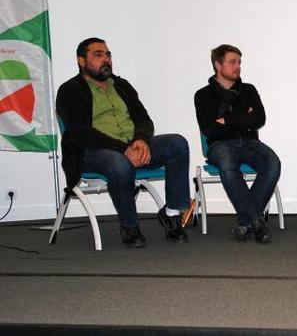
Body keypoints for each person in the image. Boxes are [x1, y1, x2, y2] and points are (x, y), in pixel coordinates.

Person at [57, 37, 192, 248]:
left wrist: (141, 141)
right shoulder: (70, 90)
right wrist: (124, 149)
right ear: (81, 61)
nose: (106, 59)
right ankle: (130, 226)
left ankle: (172, 215)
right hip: (92, 152)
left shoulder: (121, 85)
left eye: (108, 54)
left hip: (131, 146)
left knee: (177, 143)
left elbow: (143, 119)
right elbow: (81, 133)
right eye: (98, 54)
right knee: (118, 163)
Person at [194, 44, 280, 243]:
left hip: (249, 142)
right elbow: (210, 129)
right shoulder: (203, 95)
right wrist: (243, 119)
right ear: (218, 65)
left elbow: (259, 119)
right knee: (227, 164)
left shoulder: (248, 90)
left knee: (272, 163)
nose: (237, 66)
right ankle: (257, 222)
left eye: (239, 62)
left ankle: (245, 221)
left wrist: (227, 120)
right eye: (232, 62)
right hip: (219, 145)